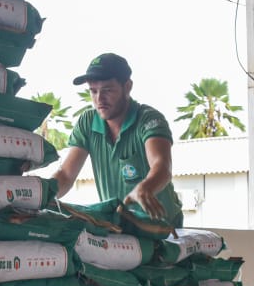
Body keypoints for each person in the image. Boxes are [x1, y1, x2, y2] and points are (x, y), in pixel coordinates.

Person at [51, 53, 184, 227]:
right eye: (93, 91)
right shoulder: (87, 122)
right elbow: (66, 175)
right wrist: (43, 197)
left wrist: (145, 188)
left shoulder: (149, 119)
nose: (99, 99)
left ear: (127, 86)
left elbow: (162, 166)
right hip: (118, 226)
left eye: (107, 90)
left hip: (163, 228)